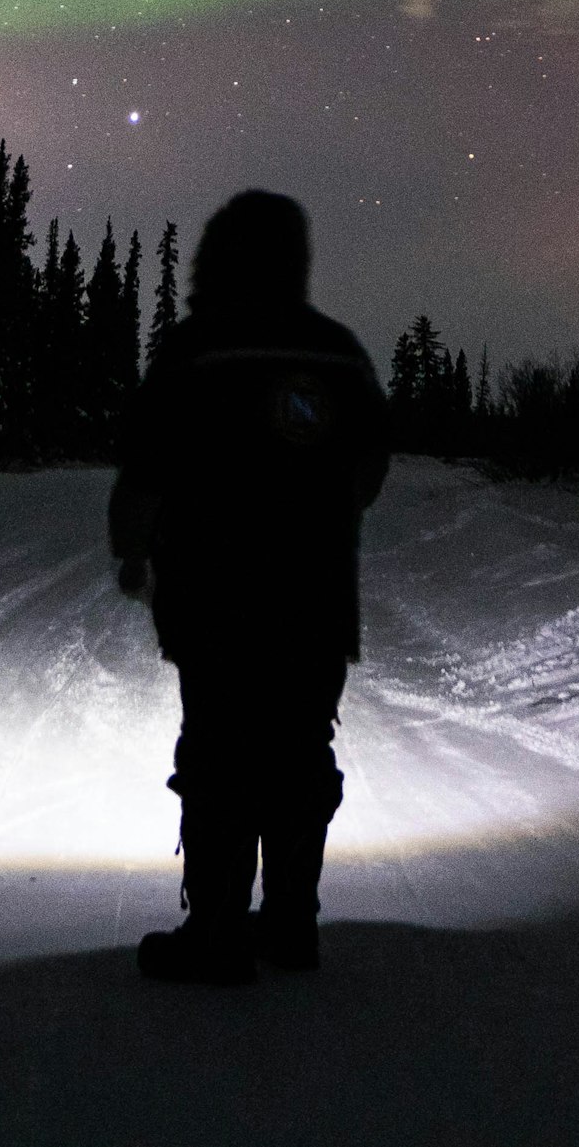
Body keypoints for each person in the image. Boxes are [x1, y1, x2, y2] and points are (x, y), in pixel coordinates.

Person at [106, 189, 392, 984]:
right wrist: (322, 511)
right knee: (302, 751)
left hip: (215, 594)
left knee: (221, 754)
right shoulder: (337, 351)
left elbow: (147, 467)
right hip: (316, 598)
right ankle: (293, 922)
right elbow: (371, 460)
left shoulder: (199, 347)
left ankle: (221, 931)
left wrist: (133, 548)